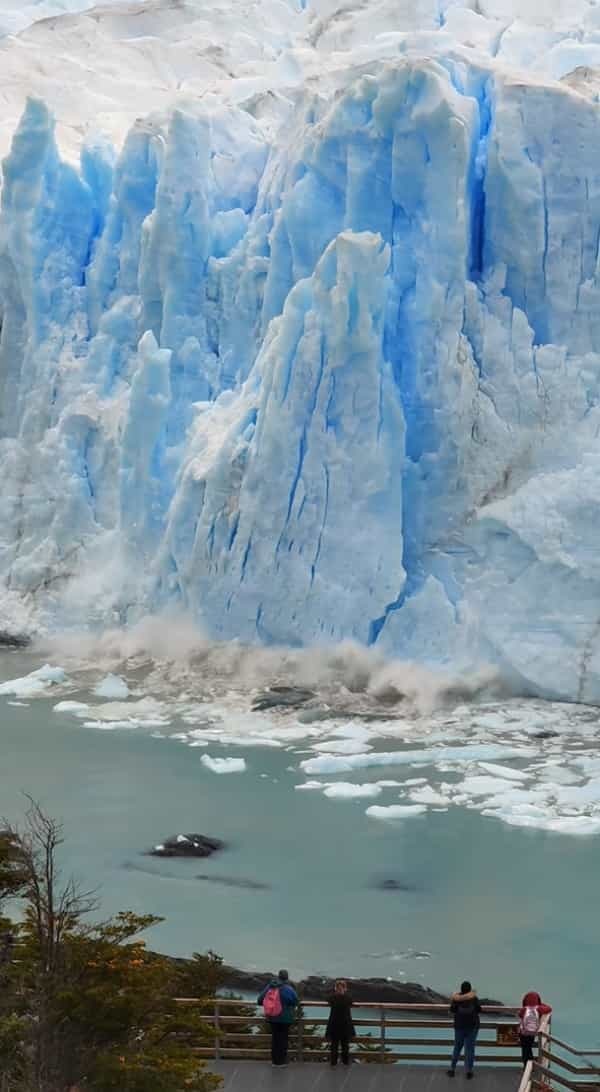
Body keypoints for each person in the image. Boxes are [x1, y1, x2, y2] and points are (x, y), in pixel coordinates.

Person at [257, 969, 298, 1067]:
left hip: (273, 1017)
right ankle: (282, 1061)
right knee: (283, 1039)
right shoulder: (289, 988)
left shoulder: (270, 986)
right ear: (287, 978)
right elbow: (295, 1001)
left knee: (275, 1039)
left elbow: (259, 1000)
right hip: (285, 1018)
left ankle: (274, 1062)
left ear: (278, 976)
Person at [447, 981, 482, 1079]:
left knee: (457, 1048)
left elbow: (452, 1010)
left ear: (461, 989)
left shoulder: (456, 999)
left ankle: (452, 1069)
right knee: (470, 1049)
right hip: (472, 1027)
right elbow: (479, 1010)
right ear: (470, 989)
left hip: (459, 1027)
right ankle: (469, 1071)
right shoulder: (474, 998)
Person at [325, 979, 355, 1067]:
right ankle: (345, 1062)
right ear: (345, 989)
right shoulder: (348, 998)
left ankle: (333, 1062)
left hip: (334, 1024)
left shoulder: (332, 998)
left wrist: (335, 993)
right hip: (345, 1024)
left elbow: (327, 999)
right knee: (345, 1044)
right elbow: (351, 1001)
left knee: (334, 1044)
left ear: (335, 988)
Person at [518, 991, 552, 1067]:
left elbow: (520, 1015)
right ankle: (530, 1066)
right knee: (529, 1048)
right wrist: (541, 1004)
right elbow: (549, 1009)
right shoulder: (539, 1009)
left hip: (523, 1033)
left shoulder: (524, 1009)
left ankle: (526, 1066)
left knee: (525, 1049)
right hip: (532, 1033)